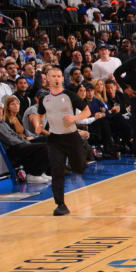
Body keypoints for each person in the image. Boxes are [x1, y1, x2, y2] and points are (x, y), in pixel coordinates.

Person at [35, 66, 93, 216]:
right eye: (53, 76)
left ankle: (80, 163)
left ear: (62, 78)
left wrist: (74, 118)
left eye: (59, 76)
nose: (56, 79)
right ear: (47, 79)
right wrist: (38, 125)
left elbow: (87, 111)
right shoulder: (44, 99)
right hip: (55, 138)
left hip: (72, 137)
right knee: (57, 171)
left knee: (79, 167)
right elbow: (40, 115)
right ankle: (60, 204)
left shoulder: (69, 95)